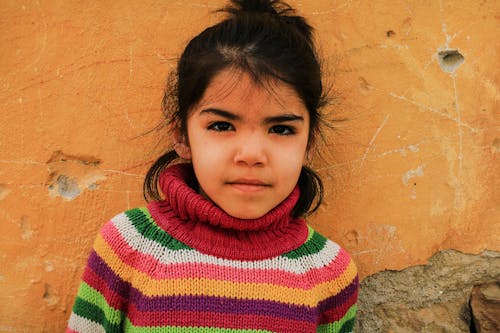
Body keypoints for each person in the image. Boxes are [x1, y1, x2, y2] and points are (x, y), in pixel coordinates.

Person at [66, 0, 358, 332]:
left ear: (310, 143)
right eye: (221, 126)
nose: (251, 154)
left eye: (281, 129)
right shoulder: (129, 245)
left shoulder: (330, 273)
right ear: (182, 135)